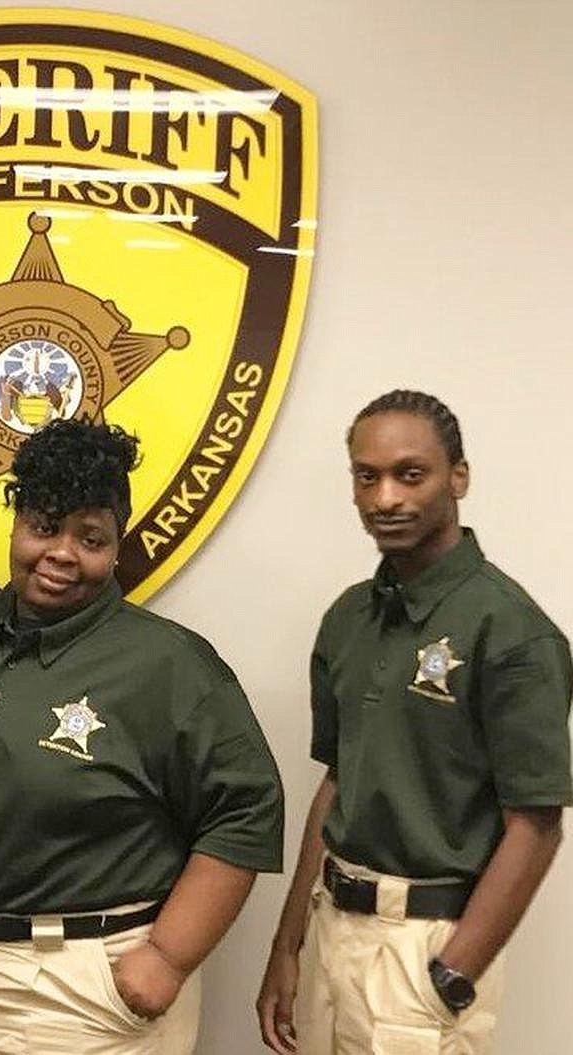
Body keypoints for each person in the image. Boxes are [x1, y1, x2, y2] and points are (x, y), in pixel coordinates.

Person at [0, 418, 284, 1054]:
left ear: (117, 546)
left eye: (90, 538)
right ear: (14, 524)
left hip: (77, 986)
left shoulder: (167, 664)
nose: (62, 553)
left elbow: (245, 812)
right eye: (44, 527)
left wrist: (169, 959)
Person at [256, 390, 572, 1054]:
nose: (386, 498)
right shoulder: (348, 618)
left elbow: (537, 824)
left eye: (410, 473)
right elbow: (339, 780)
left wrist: (451, 975)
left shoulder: (512, 631)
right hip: (332, 927)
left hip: (424, 946)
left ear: (458, 476)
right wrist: (287, 946)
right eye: (366, 476)